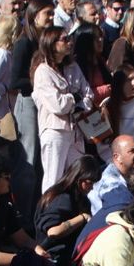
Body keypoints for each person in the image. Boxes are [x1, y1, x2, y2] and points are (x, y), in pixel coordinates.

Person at [31, 27, 94, 193]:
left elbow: (89, 95)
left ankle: (76, 207)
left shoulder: (73, 67)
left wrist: (76, 102)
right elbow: (58, 105)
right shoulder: (43, 72)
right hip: (55, 130)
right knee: (54, 178)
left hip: (76, 130)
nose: (70, 43)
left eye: (69, 39)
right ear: (51, 44)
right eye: (65, 39)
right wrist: (76, 99)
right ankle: (49, 208)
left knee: (79, 176)